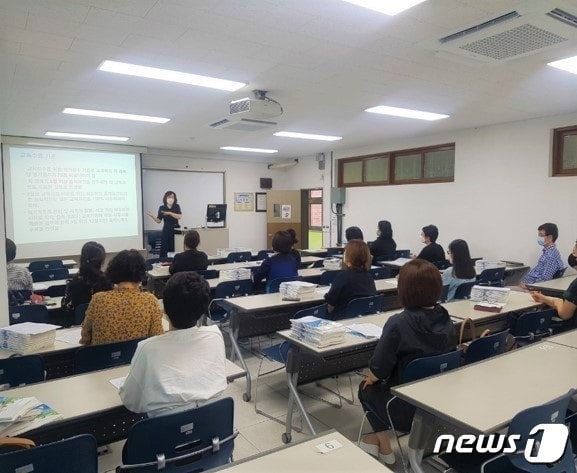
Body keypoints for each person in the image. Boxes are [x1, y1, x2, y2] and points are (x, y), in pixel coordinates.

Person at [358, 259, 457, 465]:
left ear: (403, 289)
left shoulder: (398, 323)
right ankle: (373, 440)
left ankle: (384, 446)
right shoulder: (445, 317)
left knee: (365, 387)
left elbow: (379, 370)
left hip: (404, 409)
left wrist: (372, 376)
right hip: (440, 402)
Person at [120, 272, 226, 417]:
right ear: (203, 311)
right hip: (211, 429)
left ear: (164, 310)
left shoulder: (148, 348)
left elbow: (131, 401)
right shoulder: (215, 335)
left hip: (164, 435)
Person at [80, 249, 163, 345]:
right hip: (137, 358)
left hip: (102, 358)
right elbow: (157, 338)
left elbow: (85, 338)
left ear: (113, 270)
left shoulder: (98, 299)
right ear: (141, 272)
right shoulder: (150, 301)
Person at [324, 240, 377, 319]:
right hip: (363, 318)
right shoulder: (369, 277)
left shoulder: (342, 277)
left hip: (342, 321)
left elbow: (330, 306)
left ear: (348, 256)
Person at [62, 241, 112, 313]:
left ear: (82, 258)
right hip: (103, 321)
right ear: (101, 261)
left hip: (79, 322)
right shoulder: (107, 282)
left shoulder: (74, 283)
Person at [521, 223, 565, 287]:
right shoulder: (548, 252)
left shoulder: (551, 256)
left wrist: (526, 285)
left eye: (541, 235)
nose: (539, 238)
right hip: (527, 282)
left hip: (531, 287)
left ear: (550, 237)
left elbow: (545, 280)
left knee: (505, 288)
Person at [146, 191, 182, 257]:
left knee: (175, 248)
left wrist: (170, 213)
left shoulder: (176, 206)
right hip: (166, 230)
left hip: (175, 230)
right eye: (169, 197)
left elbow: (179, 216)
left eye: (172, 197)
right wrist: (152, 216)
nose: (171, 198)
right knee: (165, 248)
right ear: (165, 198)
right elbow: (159, 220)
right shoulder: (162, 208)